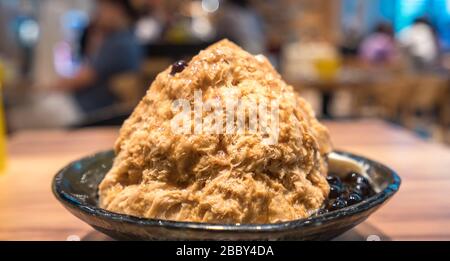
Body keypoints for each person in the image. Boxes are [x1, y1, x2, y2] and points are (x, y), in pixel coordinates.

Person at [55, 0, 142, 114]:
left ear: (116, 10)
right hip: (88, 106)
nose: (97, 14)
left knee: (38, 109)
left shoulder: (119, 43)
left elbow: (84, 78)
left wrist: (51, 86)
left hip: (91, 111)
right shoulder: (123, 38)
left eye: (102, 8)